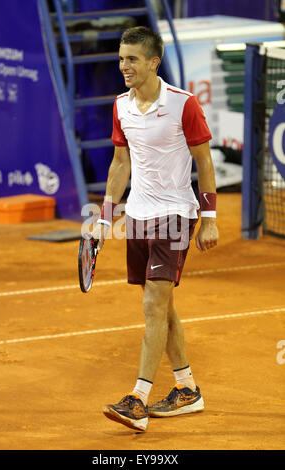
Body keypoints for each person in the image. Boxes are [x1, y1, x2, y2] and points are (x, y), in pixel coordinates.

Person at [92, 26, 219, 432]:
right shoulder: (121, 106)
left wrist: (210, 219)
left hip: (176, 215)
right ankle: (187, 390)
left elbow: (204, 162)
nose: (123, 66)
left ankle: (138, 399)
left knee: (153, 306)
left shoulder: (184, 104)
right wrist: (103, 217)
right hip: (139, 216)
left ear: (153, 62)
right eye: (120, 58)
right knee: (161, 305)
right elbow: (120, 164)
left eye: (131, 59)